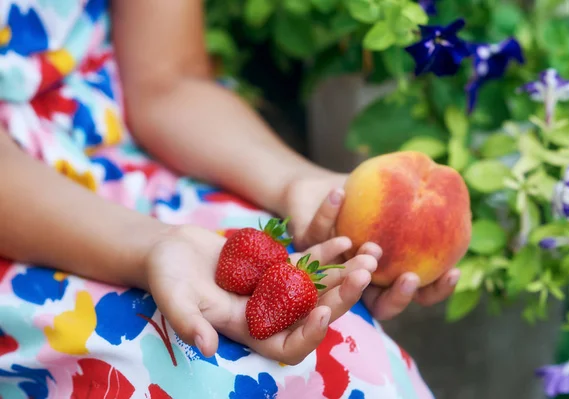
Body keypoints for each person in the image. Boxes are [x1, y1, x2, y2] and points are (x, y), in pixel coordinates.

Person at [0, 1, 461, 397]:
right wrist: (152, 246)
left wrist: (298, 185)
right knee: (200, 376)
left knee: (343, 349)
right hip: (24, 217)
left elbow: (167, 80)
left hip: (120, 156)